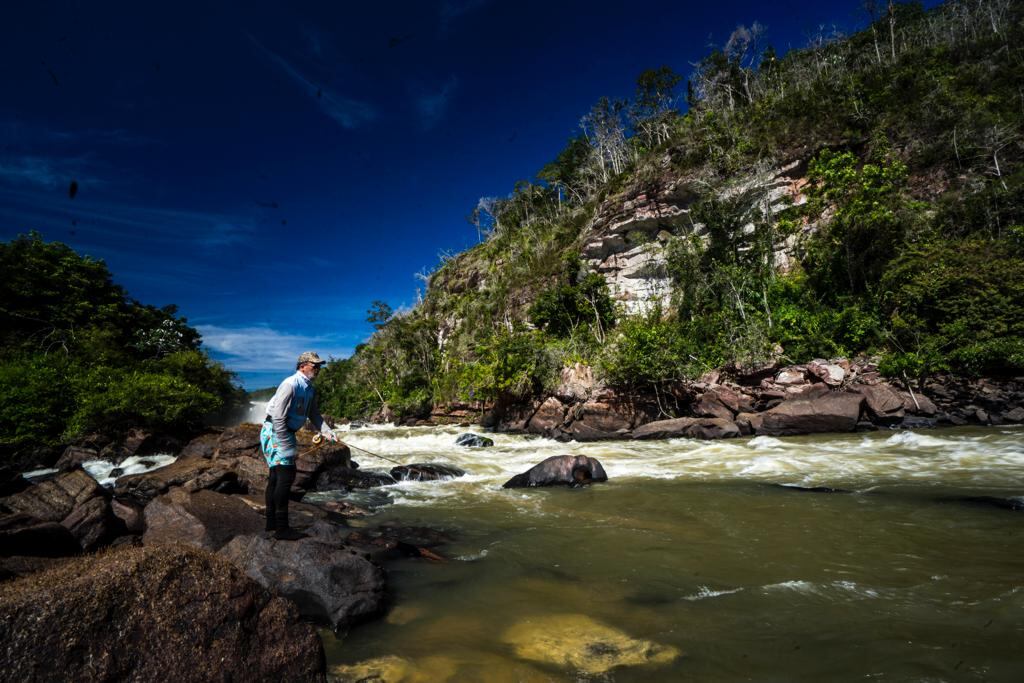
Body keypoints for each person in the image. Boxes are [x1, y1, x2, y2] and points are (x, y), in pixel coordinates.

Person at [261, 351, 337, 540]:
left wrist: (327, 431)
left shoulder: (309, 389)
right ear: (302, 366)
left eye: (319, 366)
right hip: (276, 431)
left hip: (282, 431)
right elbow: (278, 416)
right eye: (314, 365)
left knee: (276, 477)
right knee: (285, 477)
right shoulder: (290, 384)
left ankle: (271, 524)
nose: (317, 369)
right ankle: (282, 529)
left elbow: (314, 415)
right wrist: (285, 441)